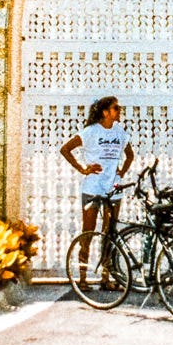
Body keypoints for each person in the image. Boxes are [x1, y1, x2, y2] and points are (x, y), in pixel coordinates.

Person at [59, 96, 135, 242]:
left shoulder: (120, 132)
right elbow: (65, 149)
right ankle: (83, 264)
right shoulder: (91, 131)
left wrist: (122, 171)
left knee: (109, 232)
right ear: (105, 113)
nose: (120, 111)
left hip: (113, 187)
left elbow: (130, 156)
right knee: (88, 230)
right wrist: (83, 169)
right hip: (93, 187)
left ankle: (107, 264)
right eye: (116, 108)